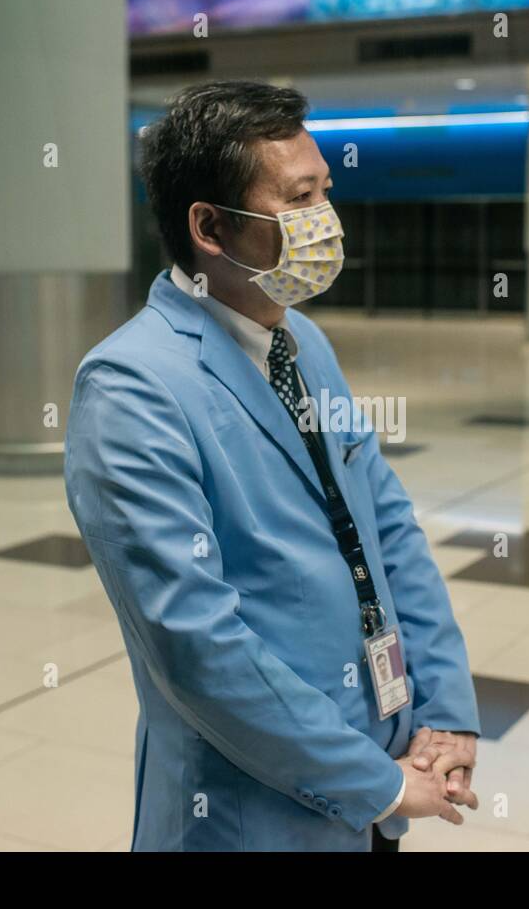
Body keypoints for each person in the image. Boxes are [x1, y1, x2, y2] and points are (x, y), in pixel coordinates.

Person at [64, 80, 480, 852]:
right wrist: (377, 781)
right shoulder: (132, 388)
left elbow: (386, 527)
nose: (327, 220)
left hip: (379, 788)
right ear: (210, 227)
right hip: (246, 816)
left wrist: (443, 706)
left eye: (326, 190)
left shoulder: (302, 344)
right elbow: (196, 643)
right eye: (299, 198)